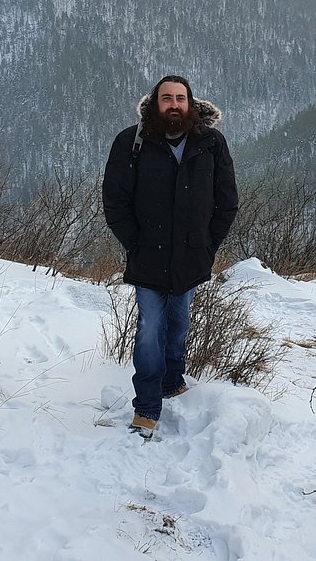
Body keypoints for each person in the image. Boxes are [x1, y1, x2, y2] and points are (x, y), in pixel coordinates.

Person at [102, 75, 239, 438]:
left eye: (180, 98)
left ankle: (173, 378)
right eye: (167, 98)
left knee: (178, 324)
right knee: (149, 330)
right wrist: (135, 243)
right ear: (155, 103)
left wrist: (208, 245)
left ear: (191, 104)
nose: (174, 105)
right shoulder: (131, 142)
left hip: (192, 258)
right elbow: (114, 200)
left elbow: (227, 201)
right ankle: (146, 408)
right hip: (147, 257)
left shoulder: (211, 143)